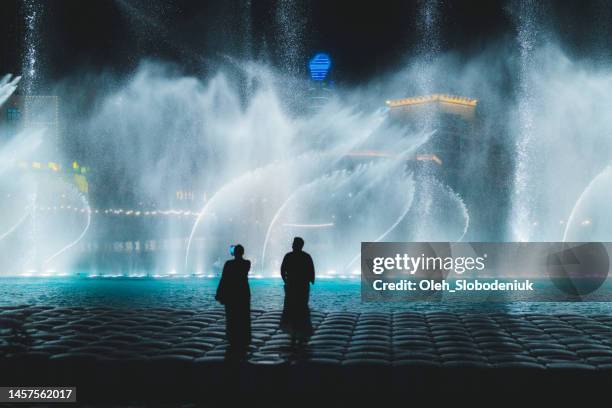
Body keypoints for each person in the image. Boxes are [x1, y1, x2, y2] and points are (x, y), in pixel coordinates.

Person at [215, 244, 251, 354]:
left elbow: (224, 279)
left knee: (231, 316)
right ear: (243, 252)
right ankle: (244, 337)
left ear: (234, 253)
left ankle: (232, 338)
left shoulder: (229, 264)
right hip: (243, 293)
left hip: (232, 293)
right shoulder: (247, 263)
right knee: (244, 315)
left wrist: (219, 293)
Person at [280, 237, 315, 344]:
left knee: (291, 307)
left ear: (296, 245)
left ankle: (293, 331)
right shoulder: (306, 256)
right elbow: (311, 270)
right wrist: (311, 280)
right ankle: (302, 330)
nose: (292, 245)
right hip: (302, 286)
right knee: (302, 307)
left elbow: (282, 270)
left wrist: (286, 281)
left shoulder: (288, 256)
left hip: (292, 286)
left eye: (294, 243)